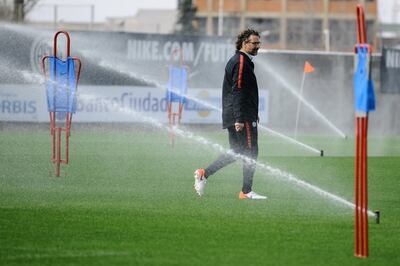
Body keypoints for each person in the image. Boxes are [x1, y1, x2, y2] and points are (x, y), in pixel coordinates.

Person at [193, 29, 266, 200]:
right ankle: (246, 192)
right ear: (244, 43)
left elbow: (243, 91)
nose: (258, 46)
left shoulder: (242, 61)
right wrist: (240, 118)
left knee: (237, 151)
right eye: (254, 43)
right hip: (241, 117)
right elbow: (238, 90)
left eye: (259, 43)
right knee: (251, 152)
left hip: (240, 115)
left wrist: (252, 112)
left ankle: (204, 174)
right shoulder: (240, 62)